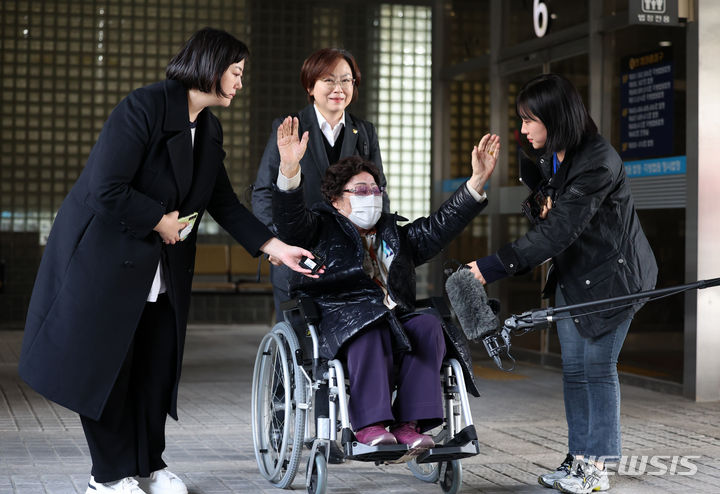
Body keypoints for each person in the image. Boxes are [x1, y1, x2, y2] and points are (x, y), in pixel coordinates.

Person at [18, 28, 318, 494]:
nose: (240, 84)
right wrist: (159, 220)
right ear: (212, 68)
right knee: (110, 372)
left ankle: (147, 465)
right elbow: (105, 189)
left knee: (155, 368)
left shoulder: (208, 127)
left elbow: (224, 202)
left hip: (162, 269)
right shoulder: (143, 108)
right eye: (236, 73)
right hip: (106, 263)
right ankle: (108, 476)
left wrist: (277, 249)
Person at [468, 74, 657, 494]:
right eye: (521, 120)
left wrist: (488, 268)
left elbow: (558, 233)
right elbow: (546, 214)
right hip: (577, 277)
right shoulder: (548, 155)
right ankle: (579, 458)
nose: (523, 130)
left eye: (530, 120)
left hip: (615, 280)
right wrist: (539, 205)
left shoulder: (597, 161)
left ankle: (599, 466)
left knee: (597, 368)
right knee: (574, 371)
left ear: (556, 117)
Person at [272, 117, 499, 453]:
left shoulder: (393, 234)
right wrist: (289, 169)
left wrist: (476, 181)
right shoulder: (319, 228)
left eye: (376, 190)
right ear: (336, 199)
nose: (372, 197)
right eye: (361, 191)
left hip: (393, 319)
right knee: (371, 325)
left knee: (427, 324)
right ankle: (369, 426)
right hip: (340, 320)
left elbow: (439, 227)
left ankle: (410, 425)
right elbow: (289, 221)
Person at [252, 48, 389, 323]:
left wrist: (381, 242)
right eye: (328, 80)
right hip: (297, 252)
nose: (338, 88)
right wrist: (275, 243)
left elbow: (379, 190)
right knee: (301, 337)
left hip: (350, 256)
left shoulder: (363, 132)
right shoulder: (290, 126)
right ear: (310, 85)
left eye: (346, 80)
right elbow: (264, 192)